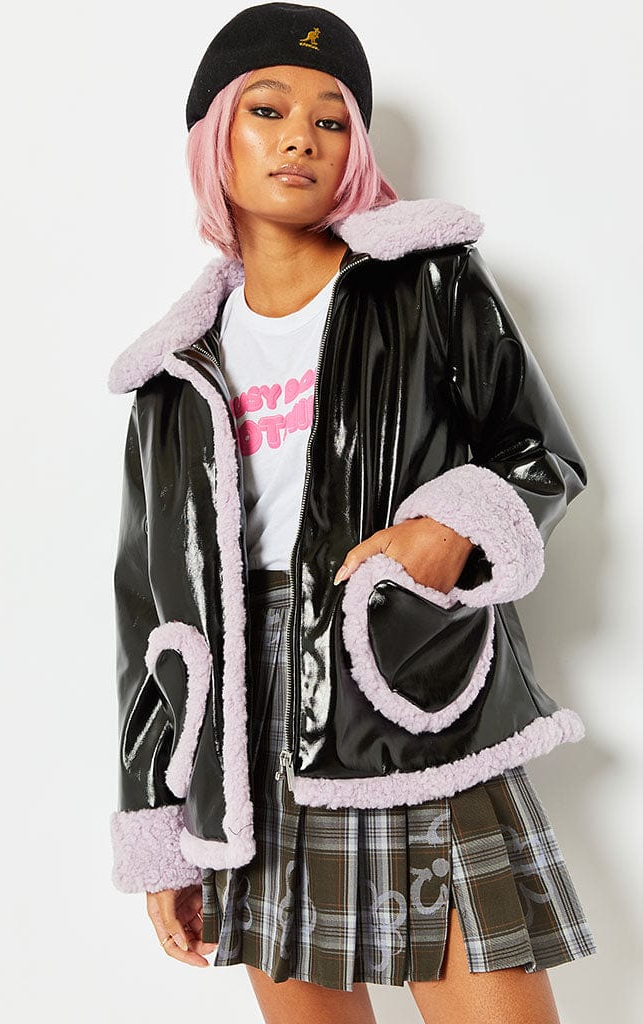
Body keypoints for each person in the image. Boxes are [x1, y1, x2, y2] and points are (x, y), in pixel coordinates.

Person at [106, 4, 597, 1022]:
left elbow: (540, 456)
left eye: (330, 120)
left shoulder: (424, 282)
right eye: (267, 110)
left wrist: (452, 524)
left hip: (405, 685)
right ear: (215, 138)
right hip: (243, 736)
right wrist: (159, 822)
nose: (300, 137)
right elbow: (148, 616)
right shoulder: (171, 374)